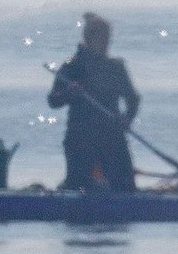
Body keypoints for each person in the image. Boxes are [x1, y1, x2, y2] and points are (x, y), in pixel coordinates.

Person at [46, 12, 140, 192]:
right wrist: (69, 93)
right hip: (81, 138)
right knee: (78, 187)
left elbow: (133, 100)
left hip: (112, 137)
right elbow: (53, 100)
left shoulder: (115, 67)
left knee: (126, 189)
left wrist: (127, 119)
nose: (106, 44)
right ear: (89, 39)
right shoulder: (73, 66)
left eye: (108, 39)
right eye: (102, 39)